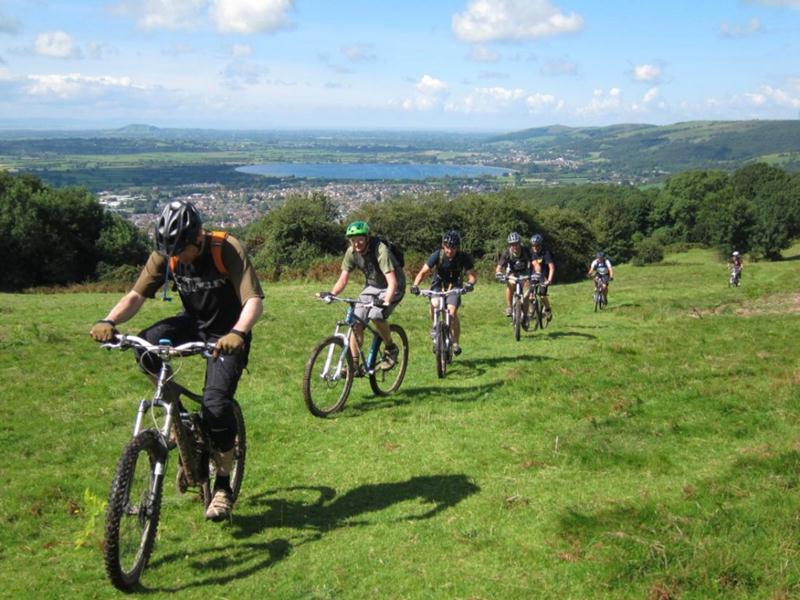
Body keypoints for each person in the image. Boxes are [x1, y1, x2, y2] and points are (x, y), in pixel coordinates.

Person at [89, 200, 264, 522]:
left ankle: (223, 485)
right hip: (193, 323)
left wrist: (238, 332)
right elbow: (136, 295)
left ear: (197, 236)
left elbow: (253, 300)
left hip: (229, 332)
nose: (176, 257)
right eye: (170, 250)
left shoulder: (225, 249)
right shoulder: (166, 254)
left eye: (181, 249)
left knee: (215, 404)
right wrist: (109, 321)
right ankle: (180, 419)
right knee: (145, 347)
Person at [322, 220, 405, 376]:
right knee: (355, 320)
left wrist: (386, 301)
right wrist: (332, 294)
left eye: (360, 239)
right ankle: (354, 364)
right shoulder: (351, 252)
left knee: (375, 314)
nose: (357, 243)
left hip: (393, 286)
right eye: (353, 240)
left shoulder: (381, 250)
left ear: (367, 237)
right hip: (372, 286)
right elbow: (343, 279)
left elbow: (392, 282)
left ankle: (390, 347)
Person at [410, 230, 477, 356]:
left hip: (454, 286)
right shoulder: (437, 255)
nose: (449, 251)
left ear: (457, 247)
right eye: (447, 247)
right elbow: (423, 272)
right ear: (443, 245)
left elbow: (472, 275)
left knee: (451, 313)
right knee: (435, 303)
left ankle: (455, 343)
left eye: (453, 248)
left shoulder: (463, 257)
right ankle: (435, 327)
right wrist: (415, 285)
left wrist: (470, 284)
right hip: (438, 285)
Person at [495, 231, 533, 319]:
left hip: (524, 273)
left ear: (520, 243)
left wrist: (536, 272)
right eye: (512, 244)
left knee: (527, 295)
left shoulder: (526, 251)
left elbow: (534, 263)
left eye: (516, 244)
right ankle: (509, 307)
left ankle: (526, 315)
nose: (514, 246)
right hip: (512, 273)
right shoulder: (507, 253)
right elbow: (499, 267)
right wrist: (499, 273)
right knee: (510, 284)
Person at [529, 233, 555, 322]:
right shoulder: (530, 252)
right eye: (533, 246)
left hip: (543, 276)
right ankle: (531, 311)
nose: (534, 247)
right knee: (530, 295)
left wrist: (549, 280)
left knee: (542, 296)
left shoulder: (546, 253)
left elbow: (551, 267)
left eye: (536, 246)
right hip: (533, 275)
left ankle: (547, 309)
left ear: (540, 245)